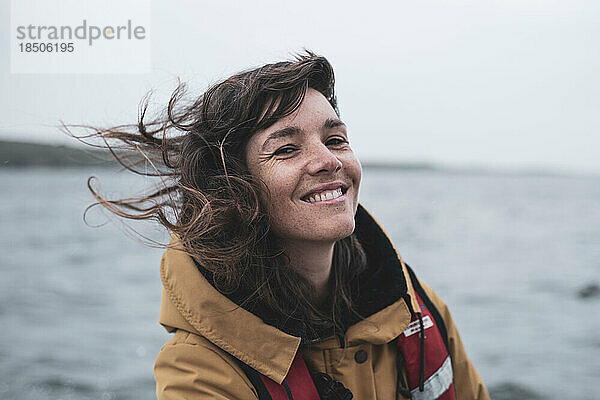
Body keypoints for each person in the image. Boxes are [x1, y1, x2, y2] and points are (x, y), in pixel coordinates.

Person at [73, 51, 490, 399]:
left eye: (335, 140)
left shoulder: (414, 307)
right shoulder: (199, 374)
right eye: (287, 149)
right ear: (235, 189)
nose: (329, 160)